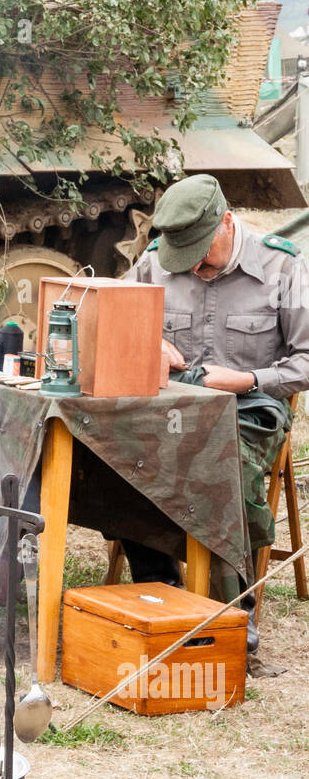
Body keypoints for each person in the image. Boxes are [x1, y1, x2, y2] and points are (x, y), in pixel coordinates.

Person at [122, 173, 309, 647]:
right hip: (168, 405)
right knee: (117, 453)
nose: (193, 267)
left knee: (218, 467)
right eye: (182, 259)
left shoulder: (284, 267)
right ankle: (159, 590)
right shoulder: (152, 263)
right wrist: (144, 340)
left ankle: (225, 617)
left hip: (248, 410)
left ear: (227, 222)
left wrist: (247, 379)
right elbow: (108, 316)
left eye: (200, 254)